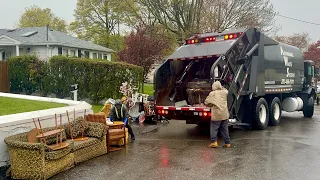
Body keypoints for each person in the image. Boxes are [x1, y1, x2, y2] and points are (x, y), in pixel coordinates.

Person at [205, 81, 230, 148]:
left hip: (217, 115)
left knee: (214, 128)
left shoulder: (212, 93)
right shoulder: (225, 92)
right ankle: (227, 143)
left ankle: (214, 142)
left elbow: (207, 102)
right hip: (225, 114)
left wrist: (211, 104)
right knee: (224, 129)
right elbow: (225, 89)